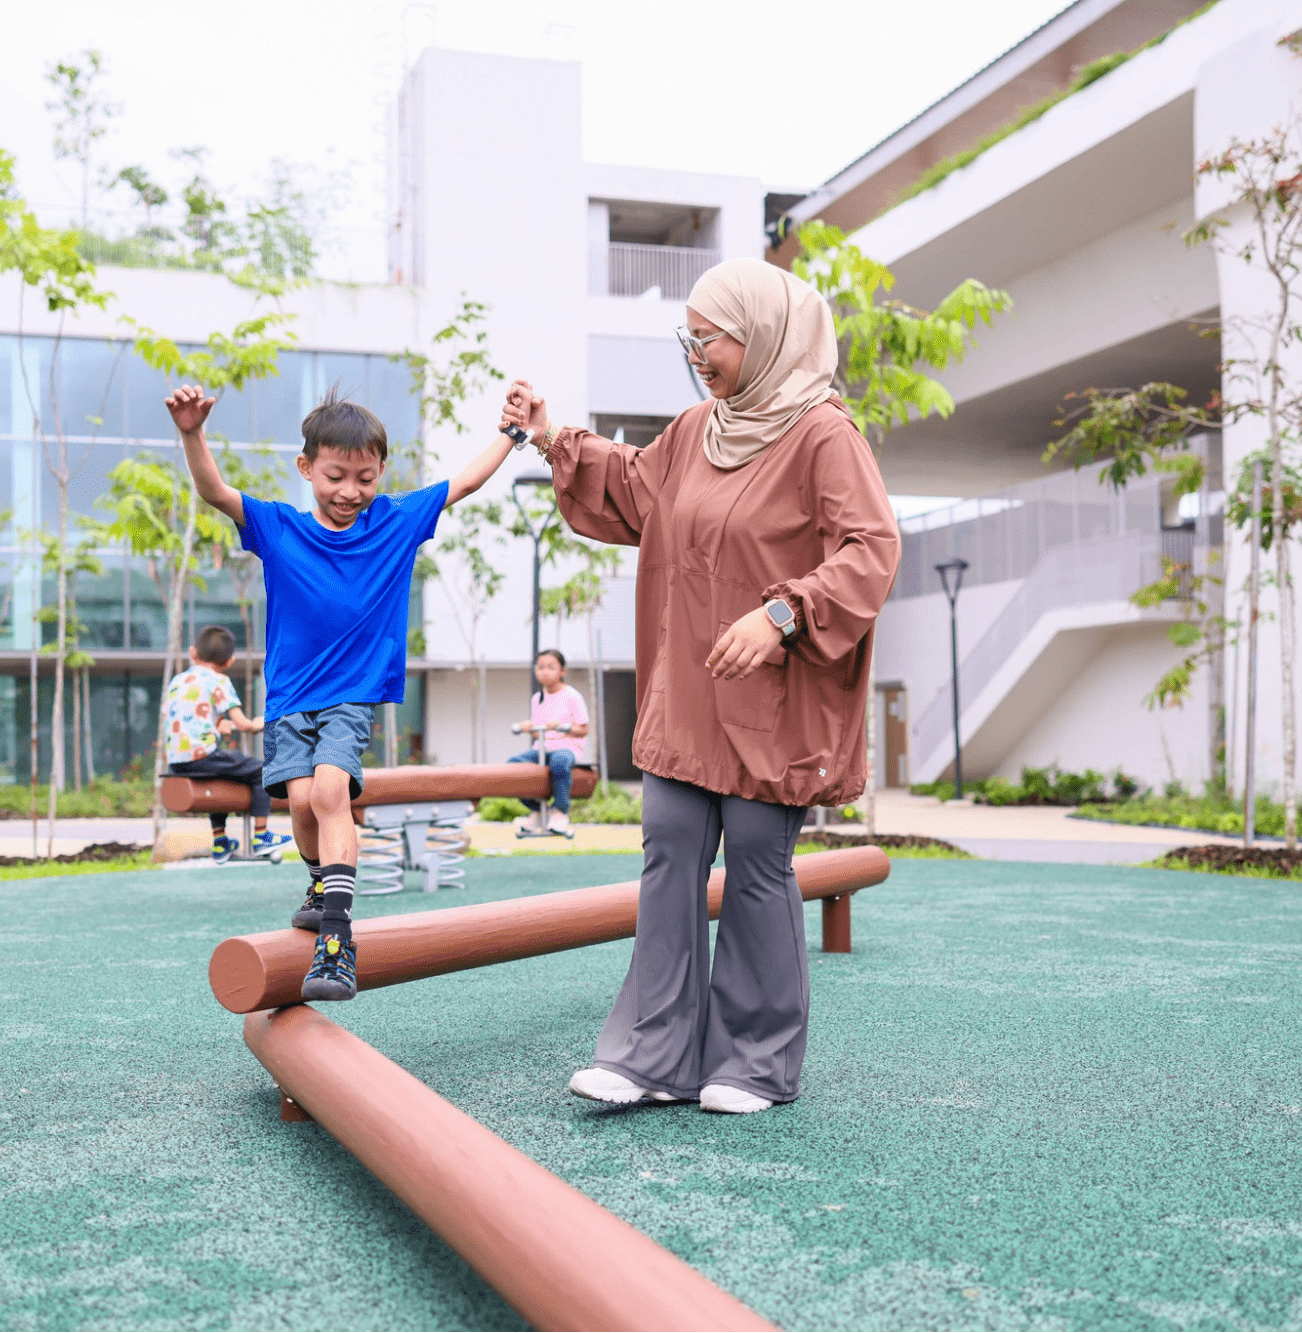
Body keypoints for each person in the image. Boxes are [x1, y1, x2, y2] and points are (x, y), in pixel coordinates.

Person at [502, 257, 899, 1114]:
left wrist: (782, 615)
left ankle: (754, 1063)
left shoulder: (823, 436)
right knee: (669, 847)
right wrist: (548, 435)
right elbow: (629, 487)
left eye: (709, 337)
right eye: (688, 336)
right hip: (686, 689)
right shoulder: (695, 431)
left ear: (763, 336)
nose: (695, 353)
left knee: (757, 861)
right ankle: (652, 1055)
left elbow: (870, 549)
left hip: (771, 700)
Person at [169, 383, 522, 1002]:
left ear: (381, 471)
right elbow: (214, 492)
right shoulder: (279, 529)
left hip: (350, 696)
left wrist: (512, 434)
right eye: (335, 476)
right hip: (289, 700)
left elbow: (464, 482)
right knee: (302, 802)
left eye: (365, 478)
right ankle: (319, 883)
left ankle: (336, 942)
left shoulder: (395, 522)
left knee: (331, 791)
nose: (350, 491)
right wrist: (193, 433)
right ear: (306, 468)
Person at [162, 624, 285, 863]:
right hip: (203, 756)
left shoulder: (178, 680)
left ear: (193, 653)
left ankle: (220, 841)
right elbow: (243, 724)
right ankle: (261, 836)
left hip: (177, 760)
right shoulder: (219, 680)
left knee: (221, 775)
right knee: (262, 771)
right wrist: (258, 723)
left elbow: (185, 717)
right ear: (229, 662)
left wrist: (217, 723)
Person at [506, 648, 591, 833]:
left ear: (562, 671)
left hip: (566, 747)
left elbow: (584, 730)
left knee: (560, 761)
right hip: (543, 748)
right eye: (540, 667)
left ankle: (560, 812)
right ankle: (537, 811)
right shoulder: (537, 698)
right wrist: (529, 728)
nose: (545, 672)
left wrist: (562, 726)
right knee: (513, 765)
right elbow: (539, 733)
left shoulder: (572, 696)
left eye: (551, 667)